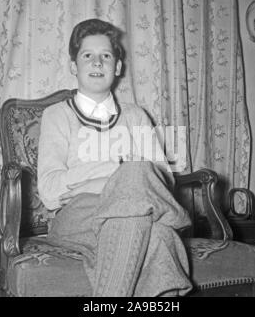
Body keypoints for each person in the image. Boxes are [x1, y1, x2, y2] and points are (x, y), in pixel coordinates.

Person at [37, 18, 193, 297]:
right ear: (74, 66)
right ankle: (175, 218)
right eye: (88, 55)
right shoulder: (57, 115)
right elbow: (50, 191)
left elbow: (161, 181)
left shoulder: (136, 116)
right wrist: (117, 170)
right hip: (76, 217)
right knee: (134, 176)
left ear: (117, 67)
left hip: (134, 213)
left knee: (158, 235)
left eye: (106, 56)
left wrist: (95, 182)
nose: (97, 63)